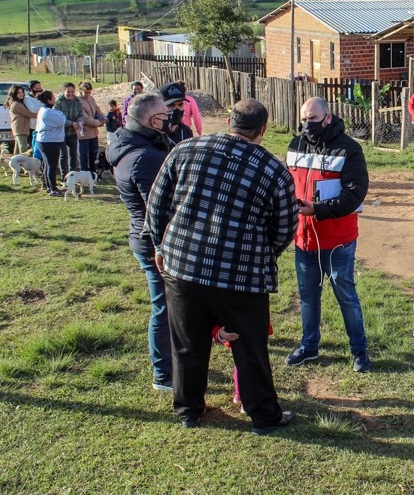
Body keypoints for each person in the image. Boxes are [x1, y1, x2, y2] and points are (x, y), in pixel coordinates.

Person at [145, 99, 298, 432]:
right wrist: (261, 252)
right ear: (263, 130)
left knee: (187, 344)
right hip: (240, 275)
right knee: (251, 348)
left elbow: (157, 203)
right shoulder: (273, 169)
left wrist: (160, 244)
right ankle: (263, 417)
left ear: (229, 121)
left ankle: (189, 410)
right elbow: (285, 227)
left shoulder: (185, 149)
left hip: (182, 264)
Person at [285, 97, 372, 373]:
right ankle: (309, 347)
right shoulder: (294, 145)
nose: (307, 124)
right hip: (304, 238)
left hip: (338, 240)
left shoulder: (349, 150)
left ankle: (360, 351)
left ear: (328, 117)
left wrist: (318, 210)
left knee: (346, 296)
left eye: (312, 118)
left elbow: (355, 194)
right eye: (303, 118)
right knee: (308, 297)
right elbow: (286, 183)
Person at [107, 93, 174, 392]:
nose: (170, 120)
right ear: (151, 120)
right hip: (154, 244)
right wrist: (162, 249)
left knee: (167, 306)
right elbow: (157, 211)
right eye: (165, 116)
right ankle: (164, 375)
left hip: (144, 238)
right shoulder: (145, 158)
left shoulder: (130, 144)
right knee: (165, 309)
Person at [35, 90, 67, 197]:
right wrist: (61, 114)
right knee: (51, 166)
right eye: (53, 98)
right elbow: (62, 120)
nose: (55, 99)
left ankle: (49, 186)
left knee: (47, 165)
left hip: (46, 141)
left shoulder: (44, 110)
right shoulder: (47, 112)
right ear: (48, 100)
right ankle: (53, 188)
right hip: (49, 142)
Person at [54, 82, 83, 178]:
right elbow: (58, 117)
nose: (70, 94)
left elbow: (81, 114)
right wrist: (71, 123)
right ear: (63, 92)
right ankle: (64, 176)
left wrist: (79, 122)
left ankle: (73, 175)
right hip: (61, 132)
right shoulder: (58, 103)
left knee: (73, 155)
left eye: (72, 92)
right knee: (63, 155)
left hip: (72, 132)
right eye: (68, 92)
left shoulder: (77, 101)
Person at [76, 82, 105, 173]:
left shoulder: (91, 98)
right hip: (84, 133)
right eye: (86, 93)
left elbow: (96, 109)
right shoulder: (77, 101)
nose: (88, 95)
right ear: (81, 91)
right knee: (84, 155)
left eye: (89, 92)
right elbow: (85, 117)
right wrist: (97, 123)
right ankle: (84, 172)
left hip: (93, 133)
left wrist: (103, 117)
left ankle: (93, 172)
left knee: (94, 153)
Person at [4, 85, 37, 155]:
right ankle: (23, 164)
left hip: (20, 129)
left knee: (17, 151)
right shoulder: (16, 104)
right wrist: (41, 115)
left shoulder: (18, 102)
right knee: (23, 150)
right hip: (20, 129)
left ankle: (14, 164)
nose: (21, 94)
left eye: (22, 92)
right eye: (19, 93)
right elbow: (29, 113)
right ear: (14, 94)